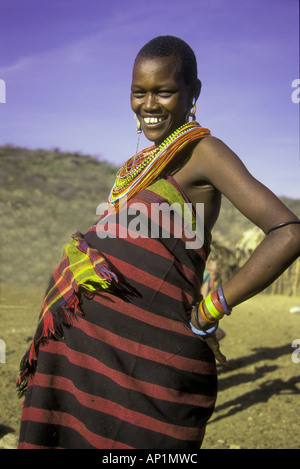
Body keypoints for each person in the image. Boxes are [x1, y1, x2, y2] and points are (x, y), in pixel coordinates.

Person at [17, 36, 300, 449]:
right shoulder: (139, 165)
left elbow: (288, 232)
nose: (149, 105)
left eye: (164, 91)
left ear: (193, 93)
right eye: (139, 92)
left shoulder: (205, 152)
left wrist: (209, 310)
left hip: (147, 365)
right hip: (86, 358)